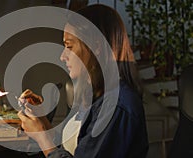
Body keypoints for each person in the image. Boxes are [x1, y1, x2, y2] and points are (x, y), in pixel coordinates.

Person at [18, 4, 148, 158]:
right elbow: (73, 150)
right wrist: (41, 123)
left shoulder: (116, 106)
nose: (62, 56)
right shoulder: (95, 96)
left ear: (96, 46)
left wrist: (43, 138)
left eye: (69, 46)